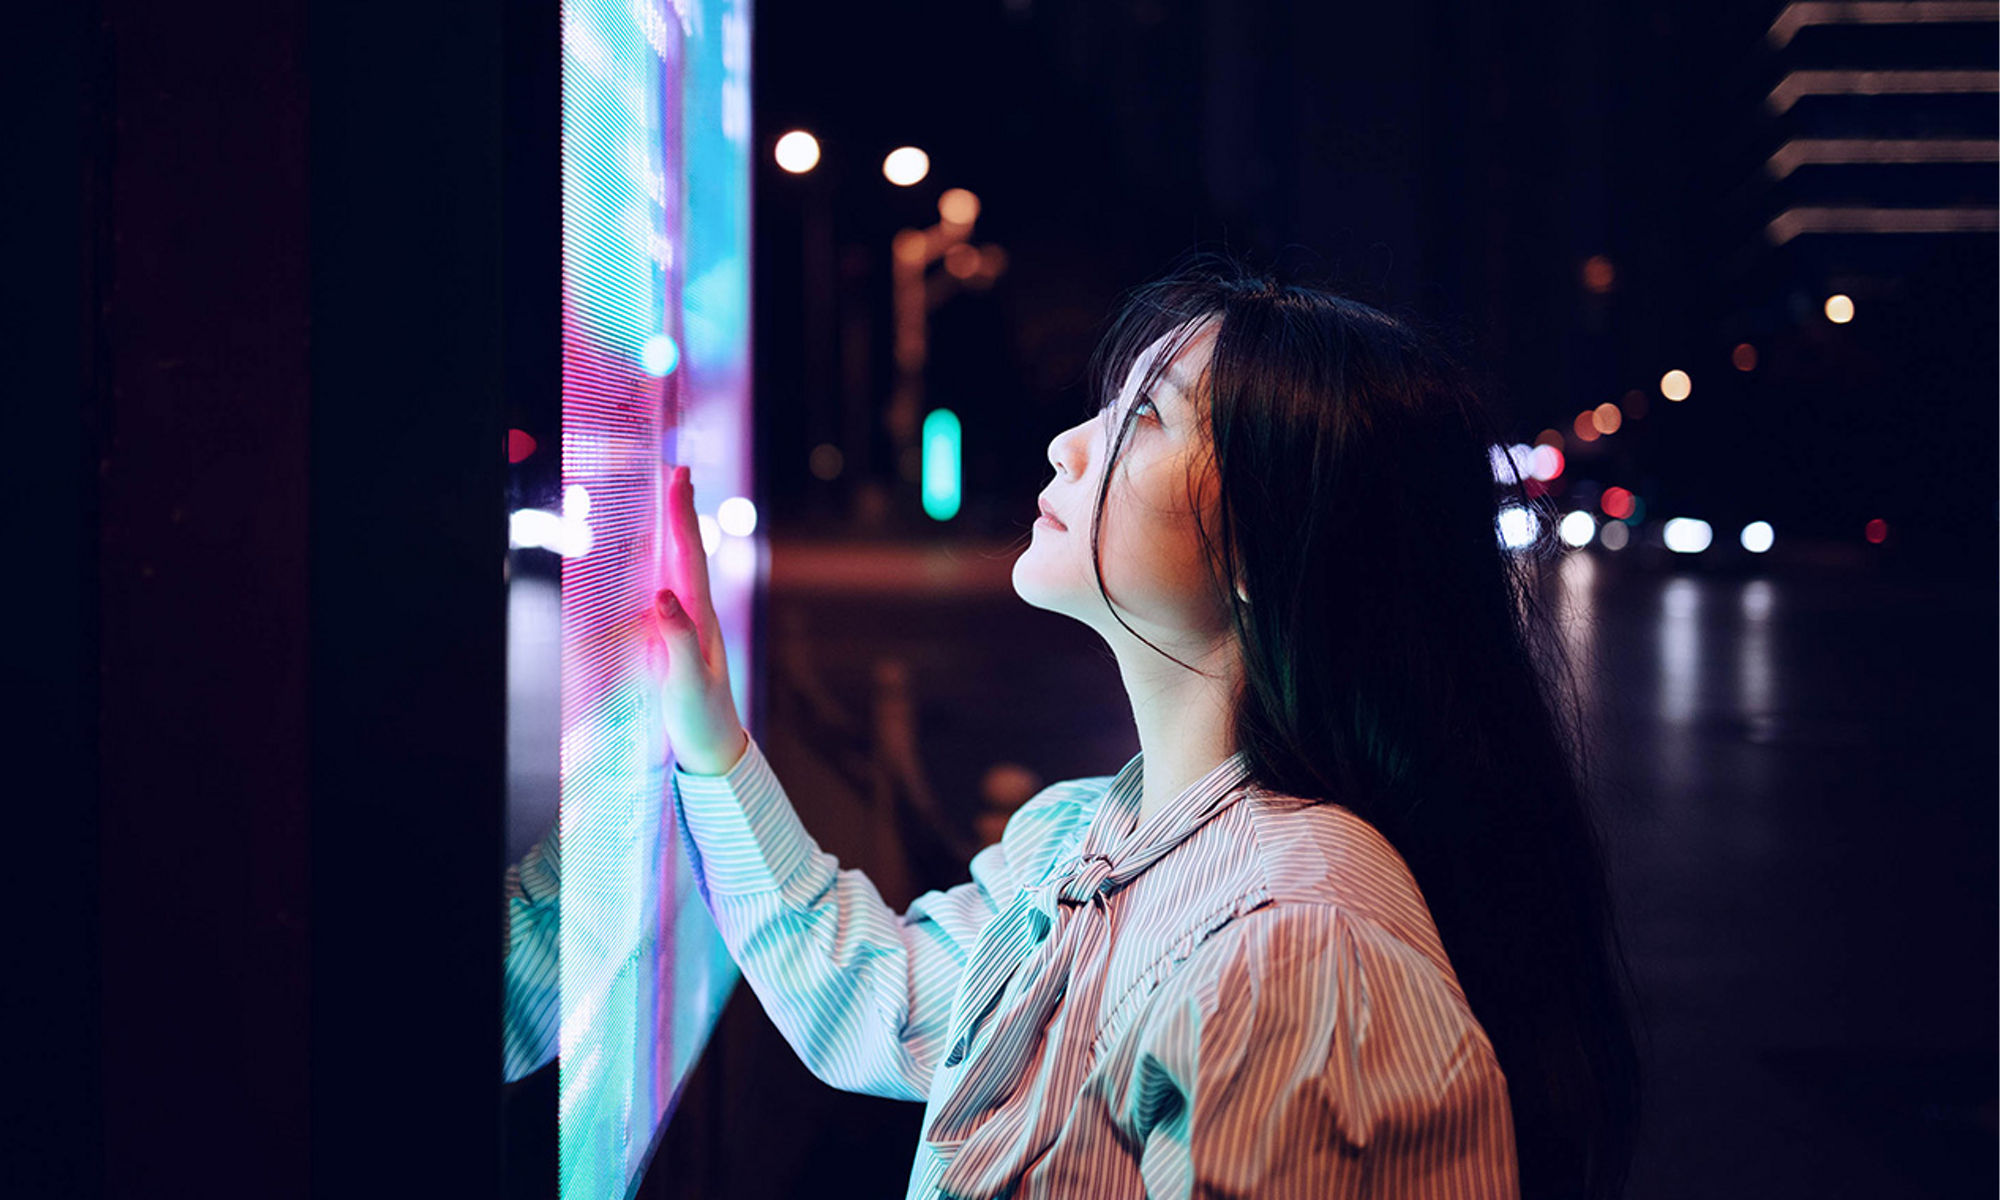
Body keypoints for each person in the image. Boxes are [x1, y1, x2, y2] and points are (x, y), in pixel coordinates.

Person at [644, 250, 1643, 1199]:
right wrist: (711, 738)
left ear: (1266, 537)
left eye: (1142, 418)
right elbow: (878, 997)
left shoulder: (1292, 951)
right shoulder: (1079, 839)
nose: (1066, 444)